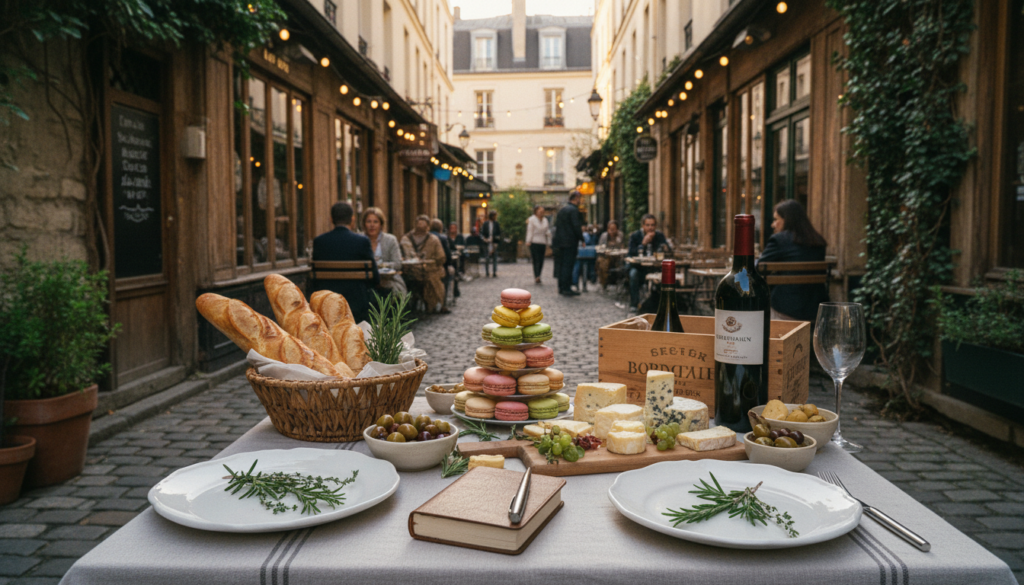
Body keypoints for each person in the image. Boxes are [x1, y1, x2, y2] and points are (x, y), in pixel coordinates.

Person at [757, 199, 829, 321]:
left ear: (787, 219)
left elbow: (758, 269)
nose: (773, 224)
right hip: (815, 308)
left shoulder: (779, 240)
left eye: (776, 219)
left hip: (785, 308)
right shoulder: (818, 240)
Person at [312, 201, 380, 324]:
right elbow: (375, 277)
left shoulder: (319, 241)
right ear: (352, 219)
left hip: (326, 302)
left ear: (331, 219)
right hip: (357, 303)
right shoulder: (362, 241)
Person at [401, 215, 447, 313]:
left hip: (429, 270)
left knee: (433, 279)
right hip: (410, 271)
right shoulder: (406, 239)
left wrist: (431, 262)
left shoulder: (433, 240)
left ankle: (431, 303)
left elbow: (441, 257)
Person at [627, 214, 670, 312]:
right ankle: (634, 304)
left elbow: (667, 250)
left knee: (669, 275)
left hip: (656, 267)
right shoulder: (635, 236)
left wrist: (665, 248)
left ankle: (663, 303)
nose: (650, 228)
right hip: (640, 267)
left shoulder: (659, 235)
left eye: (653, 225)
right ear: (643, 226)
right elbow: (630, 253)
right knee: (633, 274)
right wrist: (643, 244)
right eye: (648, 225)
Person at [361, 207, 406, 295]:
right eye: (369, 221)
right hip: (364, 280)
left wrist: (381, 265)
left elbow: (398, 264)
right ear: (364, 224)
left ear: (381, 224)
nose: (372, 225)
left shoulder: (390, 239)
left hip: (388, 280)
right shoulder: (359, 240)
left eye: (375, 222)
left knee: (389, 290)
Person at [552, 190, 584, 296]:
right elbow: (576, 226)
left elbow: (556, 226)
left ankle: (561, 287)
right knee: (568, 265)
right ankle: (566, 288)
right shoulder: (573, 210)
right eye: (579, 198)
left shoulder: (562, 210)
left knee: (561, 265)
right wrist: (582, 238)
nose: (580, 201)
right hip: (570, 242)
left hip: (560, 242)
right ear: (575, 198)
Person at [430, 218, 454, 313]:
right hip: (439, 267)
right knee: (447, 279)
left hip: (428, 266)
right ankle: (443, 304)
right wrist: (449, 265)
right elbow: (447, 255)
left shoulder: (427, 237)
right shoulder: (443, 238)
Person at [525, 205, 551, 284]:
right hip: (534, 241)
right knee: (536, 259)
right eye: (540, 211)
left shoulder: (545, 220)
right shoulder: (532, 219)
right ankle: (537, 276)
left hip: (542, 242)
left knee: (541, 260)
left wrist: (549, 242)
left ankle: (539, 274)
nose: (541, 213)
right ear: (536, 211)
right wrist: (528, 240)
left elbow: (547, 232)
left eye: (543, 211)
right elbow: (530, 230)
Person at [480, 210, 501, 277]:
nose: (495, 217)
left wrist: (496, 242)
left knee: (495, 257)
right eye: (494, 215)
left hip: (493, 242)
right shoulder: (485, 223)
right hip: (487, 242)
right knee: (487, 258)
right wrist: (484, 239)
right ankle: (487, 272)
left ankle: (494, 272)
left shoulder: (496, 224)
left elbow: (499, 233)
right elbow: (482, 233)